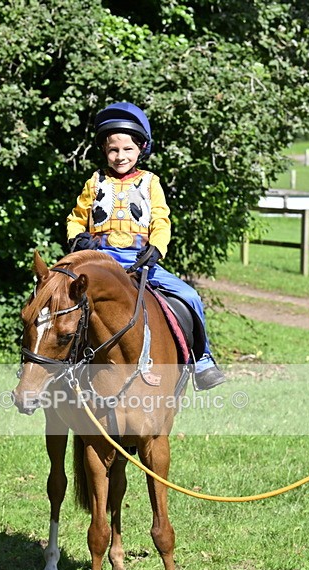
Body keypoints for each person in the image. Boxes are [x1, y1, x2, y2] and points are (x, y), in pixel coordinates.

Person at [66, 102, 225, 391]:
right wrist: (78, 238)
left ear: (141, 148)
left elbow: (161, 220)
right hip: (100, 261)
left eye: (127, 149)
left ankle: (202, 360)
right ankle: (55, 366)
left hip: (140, 261)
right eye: (113, 149)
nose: (120, 156)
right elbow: (76, 217)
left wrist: (156, 248)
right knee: (59, 297)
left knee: (190, 296)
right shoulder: (95, 182)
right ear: (104, 150)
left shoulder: (151, 183)